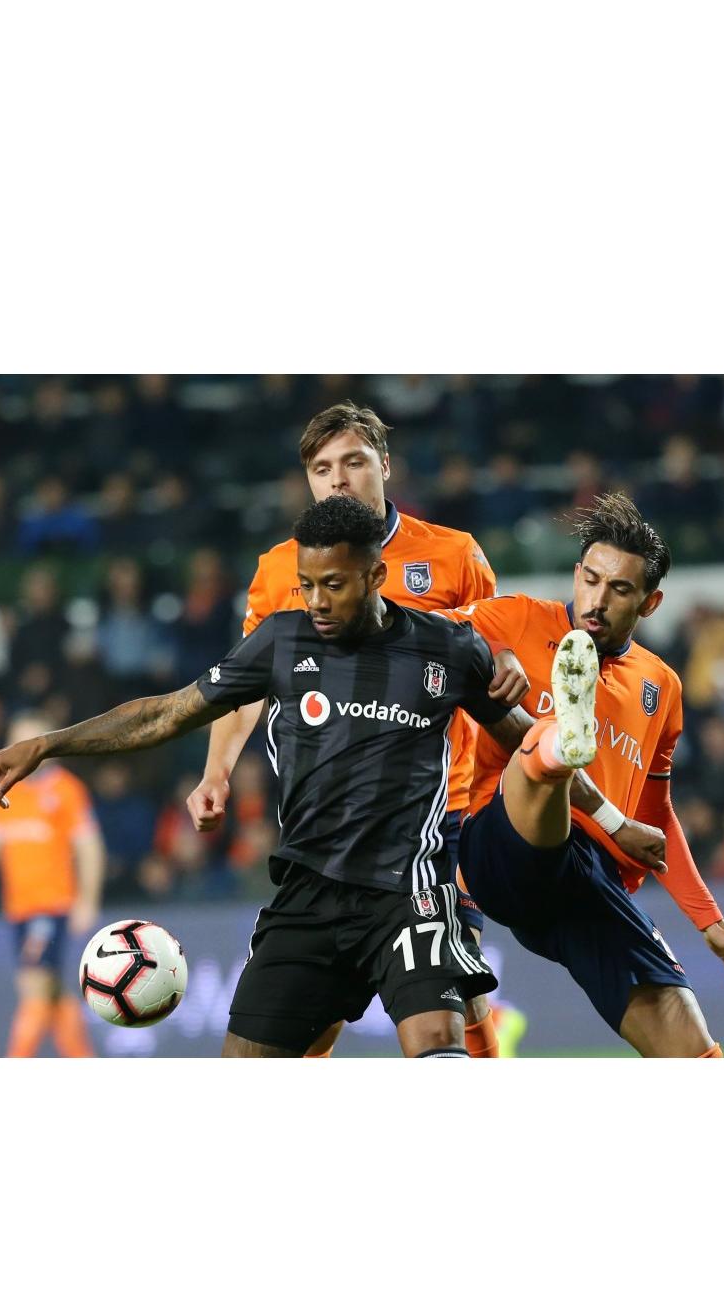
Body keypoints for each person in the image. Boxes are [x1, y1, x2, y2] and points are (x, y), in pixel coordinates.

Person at [0, 498, 666, 1060]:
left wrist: (614, 823)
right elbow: (167, 712)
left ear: (375, 574)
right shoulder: (282, 640)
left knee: (439, 1045)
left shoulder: (448, 649)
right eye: (306, 584)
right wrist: (48, 745)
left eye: (333, 584)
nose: (316, 601)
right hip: (308, 896)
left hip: (410, 896)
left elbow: (531, 747)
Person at [185, 399, 525, 1058]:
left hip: (439, 814)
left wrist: (508, 659)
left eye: (353, 462)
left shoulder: (454, 554)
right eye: (321, 469)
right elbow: (243, 686)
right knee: (314, 1021)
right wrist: (216, 772)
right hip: (328, 823)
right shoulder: (279, 569)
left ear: (385, 466)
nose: (338, 479)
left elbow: (495, 653)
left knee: (455, 991)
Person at [447, 493, 724, 1057]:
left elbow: (656, 816)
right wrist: (493, 651)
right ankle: (558, 745)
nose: (597, 601)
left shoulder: (661, 687)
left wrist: (708, 920)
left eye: (620, 590)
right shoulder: (517, 617)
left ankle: (558, 747)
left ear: (650, 602)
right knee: (538, 753)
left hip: (588, 881)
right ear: (577, 574)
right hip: (499, 846)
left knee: (690, 1045)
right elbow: (431, 632)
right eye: (591, 580)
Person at [0, 713, 106, 1058]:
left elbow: (89, 847)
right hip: (19, 908)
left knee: (33, 985)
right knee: (51, 990)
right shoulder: (5, 792)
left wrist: (88, 900)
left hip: (51, 905)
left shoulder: (67, 789)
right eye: (16, 742)